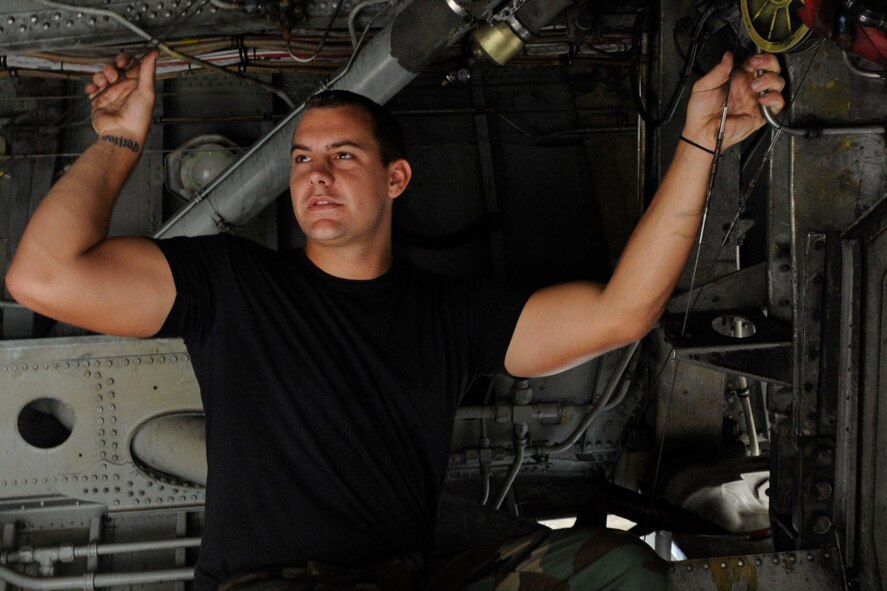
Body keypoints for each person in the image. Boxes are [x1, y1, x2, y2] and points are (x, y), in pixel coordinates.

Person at [6, 47, 784, 590]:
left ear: (395, 176)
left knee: (624, 569)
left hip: (404, 577)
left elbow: (622, 313)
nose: (315, 174)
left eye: (342, 155)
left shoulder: (449, 313)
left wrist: (698, 142)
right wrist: (116, 138)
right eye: (303, 159)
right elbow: (44, 276)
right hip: (263, 585)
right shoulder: (231, 283)